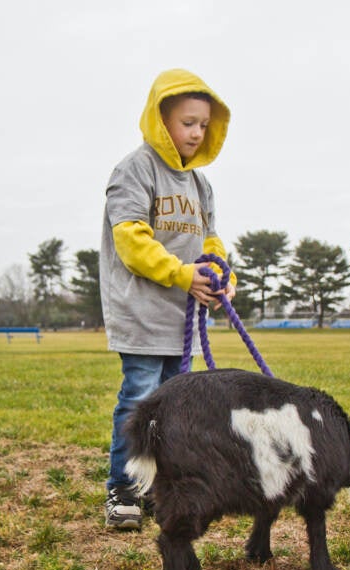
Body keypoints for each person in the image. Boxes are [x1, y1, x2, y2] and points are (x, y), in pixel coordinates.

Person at [99, 68, 236, 529]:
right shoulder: (134, 170)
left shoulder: (200, 185)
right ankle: (123, 488)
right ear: (161, 120)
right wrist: (181, 273)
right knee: (140, 400)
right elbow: (132, 241)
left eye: (203, 124)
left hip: (183, 320)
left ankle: (158, 486)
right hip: (142, 314)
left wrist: (221, 274)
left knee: (175, 409)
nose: (197, 132)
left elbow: (210, 239)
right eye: (187, 122)